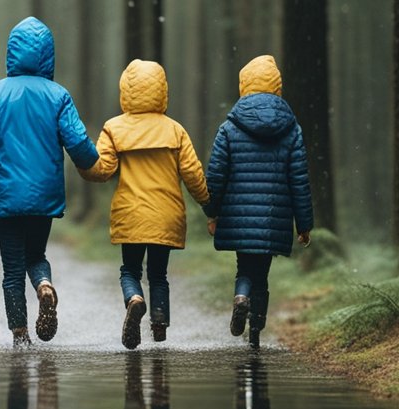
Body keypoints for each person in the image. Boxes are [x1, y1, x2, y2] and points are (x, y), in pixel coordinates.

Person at [0, 16, 99, 347]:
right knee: (36, 254)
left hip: (7, 194)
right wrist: (91, 164)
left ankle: (20, 335)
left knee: (11, 270)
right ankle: (44, 287)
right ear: (48, 55)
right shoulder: (58, 95)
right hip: (43, 192)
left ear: (12, 53)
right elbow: (78, 142)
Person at [79, 60, 209, 348]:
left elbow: (102, 170)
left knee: (130, 271)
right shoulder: (175, 130)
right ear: (162, 90)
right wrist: (209, 206)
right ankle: (159, 323)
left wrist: (81, 160)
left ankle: (134, 299)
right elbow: (193, 174)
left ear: (126, 90)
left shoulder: (114, 128)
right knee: (159, 275)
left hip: (132, 214)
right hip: (167, 214)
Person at [203, 54, 313, 348]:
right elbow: (299, 180)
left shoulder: (229, 127)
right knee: (262, 275)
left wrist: (212, 212)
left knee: (244, 269)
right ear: (277, 87)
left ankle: (240, 296)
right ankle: (255, 331)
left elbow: (216, 176)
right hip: (273, 217)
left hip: (238, 216)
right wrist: (304, 224)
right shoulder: (292, 129)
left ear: (245, 86)